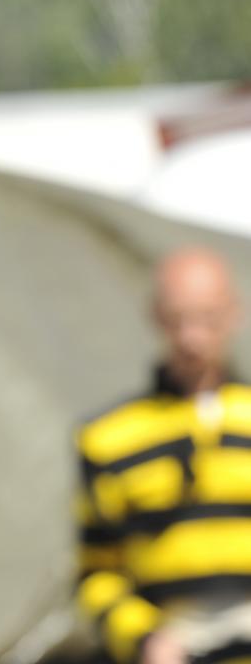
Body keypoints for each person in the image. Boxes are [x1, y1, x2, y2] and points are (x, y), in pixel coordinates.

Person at [77, 247, 251, 664]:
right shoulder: (108, 438)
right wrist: (145, 639)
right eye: (178, 319)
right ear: (156, 317)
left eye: (208, 318)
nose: (192, 338)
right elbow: (96, 574)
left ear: (235, 314)